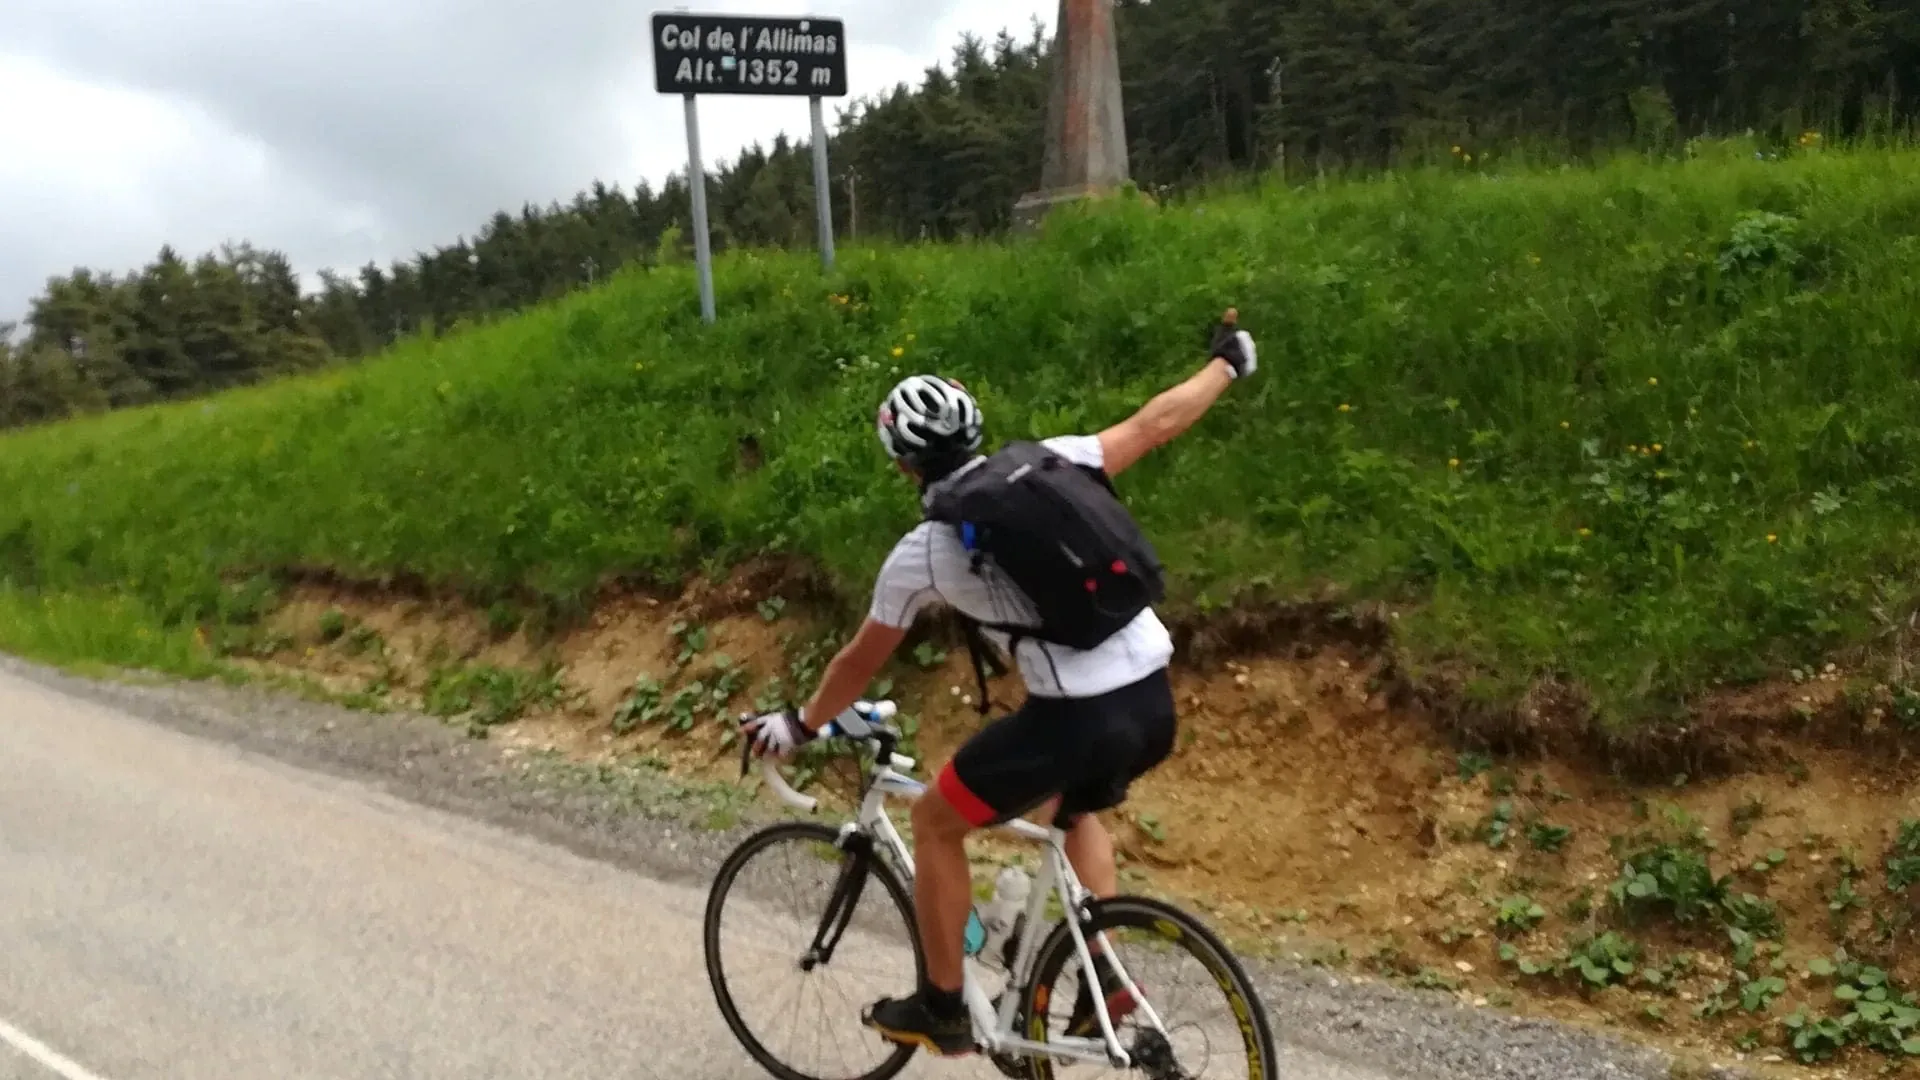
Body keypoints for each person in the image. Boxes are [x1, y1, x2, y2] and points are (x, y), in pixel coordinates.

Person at [743, 309, 1259, 1055]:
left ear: (902, 464)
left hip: (1077, 717)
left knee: (934, 822)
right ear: (975, 432)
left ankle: (944, 1007)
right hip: (1153, 698)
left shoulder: (924, 551)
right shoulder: (1053, 460)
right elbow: (1153, 424)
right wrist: (1226, 364)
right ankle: (1106, 986)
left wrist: (801, 723)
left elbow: (858, 661)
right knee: (1073, 810)